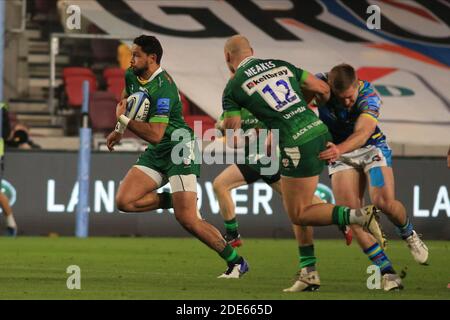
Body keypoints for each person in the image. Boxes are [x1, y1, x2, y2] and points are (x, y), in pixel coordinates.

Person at [221, 35, 384, 289]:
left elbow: (232, 138)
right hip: (318, 131)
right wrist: (301, 112)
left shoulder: (233, 88)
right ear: (252, 50)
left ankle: (357, 216)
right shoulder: (281, 65)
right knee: (298, 206)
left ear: (227, 58)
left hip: (294, 143)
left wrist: (229, 128)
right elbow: (323, 89)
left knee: (298, 212)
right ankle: (309, 272)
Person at [106, 35, 248, 279]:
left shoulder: (165, 89)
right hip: (160, 151)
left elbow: (156, 134)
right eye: (132, 54)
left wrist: (124, 121)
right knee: (124, 201)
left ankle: (236, 262)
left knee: (188, 219)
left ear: (152, 58)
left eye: (136, 55)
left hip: (179, 148)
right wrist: (118, 131)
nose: (131, 60)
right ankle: (172, 200)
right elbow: (125, 101)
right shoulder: (132, 75)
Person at [316, 64, 428, 289]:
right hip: (340, 153)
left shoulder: (369, 96)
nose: (347, 102)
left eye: (350, 97)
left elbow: (363, 133)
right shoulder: (319, 85)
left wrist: (339, 149)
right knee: (352, 216)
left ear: (357, 84)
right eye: (342, 98)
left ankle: (408, 233)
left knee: (383, 202)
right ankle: (388, 273)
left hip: (370, 150)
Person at [214, 108, 325, 291]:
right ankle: (343, 216)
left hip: (266, 159)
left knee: (220, 184)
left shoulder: (260, 103)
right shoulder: (232, 108)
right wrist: (223, 129)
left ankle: (233, 234)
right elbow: (225, 135)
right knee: (299, 200)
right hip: (259, 160)